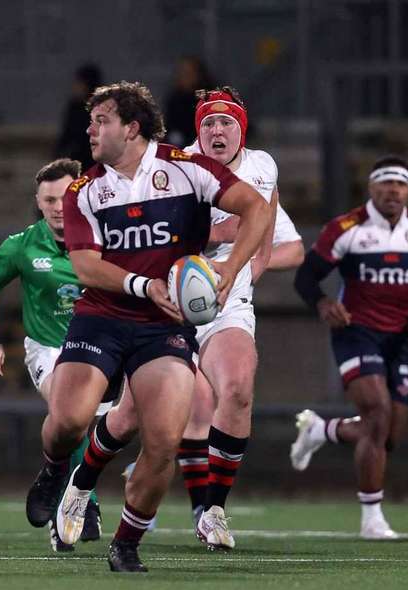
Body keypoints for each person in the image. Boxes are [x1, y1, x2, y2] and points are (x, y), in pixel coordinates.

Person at [25, 81, 272, 572]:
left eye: (101, 121)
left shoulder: (189, 169)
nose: (89, 130)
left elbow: (257, 209)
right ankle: (55, 470)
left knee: (162, 442)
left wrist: (230, 268)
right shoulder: (83, 190)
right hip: (102, 317)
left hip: (164, 326)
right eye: (91, 121)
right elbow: (86, 267)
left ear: (131, 128)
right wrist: (144, 285)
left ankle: (126, 544)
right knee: (69, 421)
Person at [110, 86, 304, 550]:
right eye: (209, 123)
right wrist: (220, 232)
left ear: (242, 129)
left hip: (226, 302)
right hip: (169, 302)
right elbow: (151, 232)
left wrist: (250, 265)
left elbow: (271, 227)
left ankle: (212, 510)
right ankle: (82, 483)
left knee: (236, 388)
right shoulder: (175, 166)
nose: (218, 130)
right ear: (199, 131)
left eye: (227, 122)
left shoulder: (263, 166)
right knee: (136, 418)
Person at [291, 156, 408, 539]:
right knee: (377, 414)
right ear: (371, 187)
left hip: (401, 339)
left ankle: (320, 429)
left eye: (401, 183)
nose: (393, 190)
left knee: (389, 434)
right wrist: (323, 304)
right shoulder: (346, 229)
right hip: (356, 332)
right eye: (386, 182)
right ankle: (372, 519)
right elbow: (305, 277)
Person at [0, 158, 122, 551]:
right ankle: (84, 503)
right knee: (69, 412)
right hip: (48, 349)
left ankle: (55, 474)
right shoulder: (23, 245)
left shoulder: (107, 237)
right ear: (38, 203)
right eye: (49, 200)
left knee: (89, 427)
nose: (58, 207)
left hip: (100, 347)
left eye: (65, 197)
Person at [55, 64, 103, 170]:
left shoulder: (102, 108)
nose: (76, 86)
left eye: (79, 83)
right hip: (79, 162)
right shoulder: (75, 107)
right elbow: (67, 134)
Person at [163, 56, 213, 148]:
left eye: (189, 73)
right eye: (182, 73)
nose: (185, 77)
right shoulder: (174, 100)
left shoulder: (209, 99)